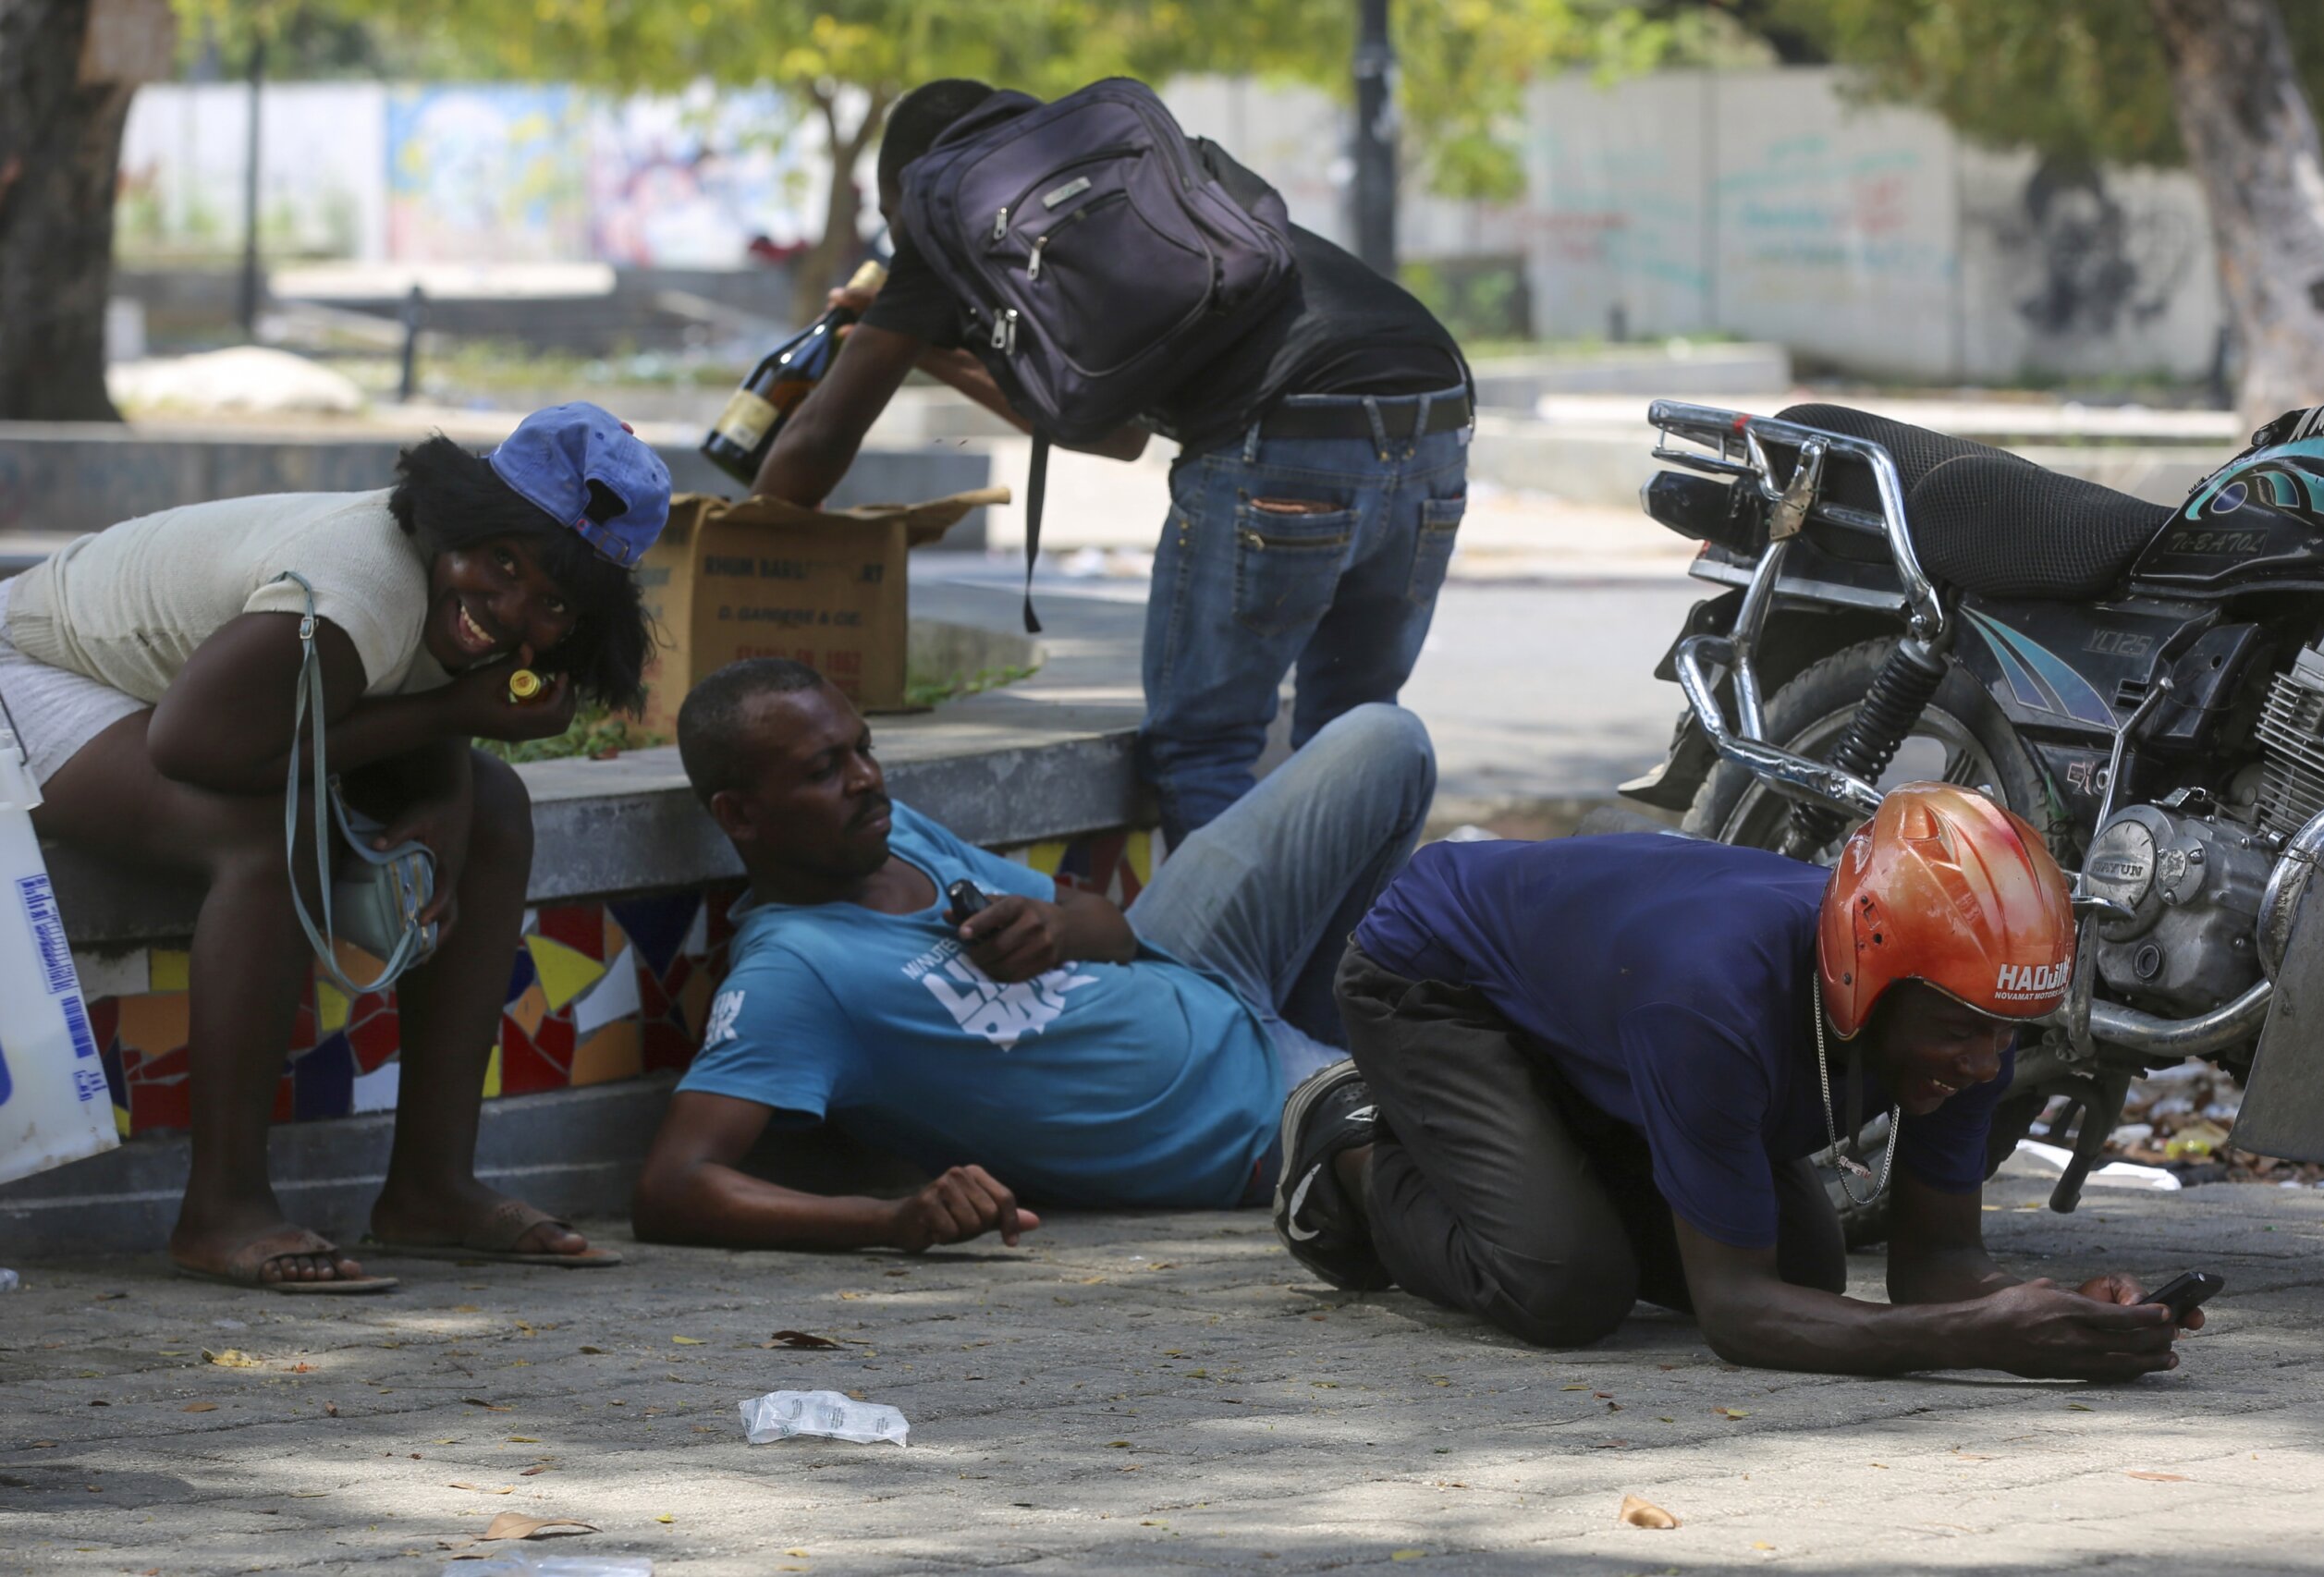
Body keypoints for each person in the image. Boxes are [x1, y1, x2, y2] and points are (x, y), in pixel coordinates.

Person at [0, 404, 668, 1291]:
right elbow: (196, 747)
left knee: (496, 808)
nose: (508, 611)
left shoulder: (442, 596)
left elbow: (383, 694)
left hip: (198, 703)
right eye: (499, 562)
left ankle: (431, 1188)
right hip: (34, 671)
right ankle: (221, 1209)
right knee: (265, 837)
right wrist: (452, 720)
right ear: (454, 522)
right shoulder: (355, 587)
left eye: (551, 602)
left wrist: (449, 782)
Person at [748, 78, 1472, 848]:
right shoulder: (1130, 169)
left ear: (907, 190)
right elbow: (1117, 434)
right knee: (1355, 734)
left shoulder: (942, 213)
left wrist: (736, 569)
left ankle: (1226, 971)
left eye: (892, 226)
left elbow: (820, 437)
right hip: (1433, 396)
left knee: (1203, 746)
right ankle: (1365, 960)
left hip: (1284, 424)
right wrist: (931, 351)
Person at [1274, 785, 2208, 1379]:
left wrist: (2054, 1313)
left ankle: (1550, 1142)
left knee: (1807, 1273)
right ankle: (1351, 1142)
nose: (1983, 1062)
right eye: (1962, 1030)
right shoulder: (1711, 997)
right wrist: (1977, 1339)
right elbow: (1734, 1315)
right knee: (1563, 1285)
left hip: (1612, 1010)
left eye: (2009, 1032)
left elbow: (1936, 1268)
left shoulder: (1965, 1006)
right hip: (1439, 979)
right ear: (1865, 979)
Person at [630, 658, 1435, 1253]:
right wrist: (892, 1219)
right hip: (1248, 1111)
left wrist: (1059, 931)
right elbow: (672, 1189)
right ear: (740, 815)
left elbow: (1112, 928)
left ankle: (1354, 1047)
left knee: (1384, 739)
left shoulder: (894, 832)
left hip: (1193, 964)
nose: (868, 779)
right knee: (1470, 1115)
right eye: (824, 770)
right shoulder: (793, 973)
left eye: (863, 749)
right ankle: (1346, 1084)